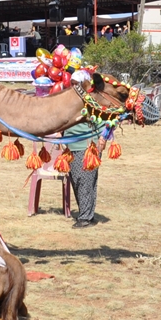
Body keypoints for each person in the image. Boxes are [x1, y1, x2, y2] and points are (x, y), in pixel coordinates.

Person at [64, 72, 104, 229]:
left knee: (84, 181)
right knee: (78, 180)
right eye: (72, 83)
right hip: (72, 146)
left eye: (76, 83)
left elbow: (102, 119)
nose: (73, 86)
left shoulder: (91, 102)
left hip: (87, 146)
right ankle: (87, 213)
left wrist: (103, 139)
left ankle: (85, 218)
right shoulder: (71, 101)